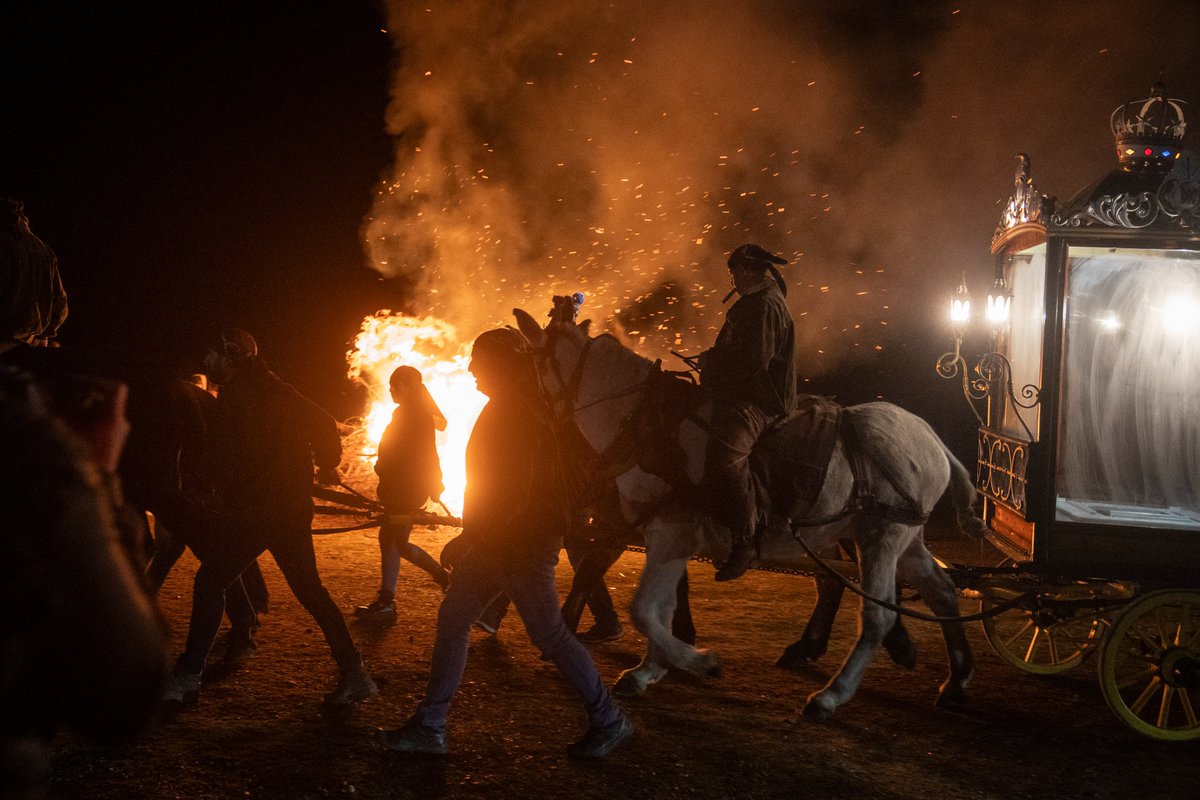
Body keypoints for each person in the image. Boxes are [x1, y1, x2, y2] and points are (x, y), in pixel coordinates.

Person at [379, 327, 633, 759]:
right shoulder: (515, 405)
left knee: (549, 635)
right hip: (499, 542)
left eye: (479, 360)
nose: (472, 368)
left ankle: (609, 719)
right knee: (455, 618)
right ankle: (430, 725)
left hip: (522, 544)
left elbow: (514, 492)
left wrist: (472, 537)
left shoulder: (519, 411)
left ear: (501, 363)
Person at [160, 328, 376, 707]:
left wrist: (210, 489)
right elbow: (325, 422)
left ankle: (187, 676)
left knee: (210, 582)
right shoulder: (280, 389)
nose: (209, 364)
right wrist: (327, 463)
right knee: (310, 591)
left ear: (230, 358)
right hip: (291, 507)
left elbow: (222, 457)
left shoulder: (235, 398)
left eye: (215, 357)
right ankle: (355, 673)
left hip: (256, 511)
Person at [698, 243, 796, 581]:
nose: (733, 279)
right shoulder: (753, 304)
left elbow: (754, 363)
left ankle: (745, 540)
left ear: (747, 272)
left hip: (761, 402)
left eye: (735, 273)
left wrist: (713, 361)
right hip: (743, 395)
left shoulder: (765, 306)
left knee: (725, 455)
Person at [355, 365, 450, 619]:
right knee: (394, 541)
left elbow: (427, 453)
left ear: (409, 387)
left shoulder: (415, 415)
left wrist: (433, 483)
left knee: (395, 542)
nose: (391, 390)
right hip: (401, 487)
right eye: (390, 386)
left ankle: (390, 601)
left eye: (396, 386)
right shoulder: (408, 412)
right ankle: (434, 581)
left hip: (406, 489)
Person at [1, 198, 68, 352]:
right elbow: (60, 304)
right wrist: (44, 334)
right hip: (28, 344)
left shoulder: (4, 245)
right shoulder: (46, 252)